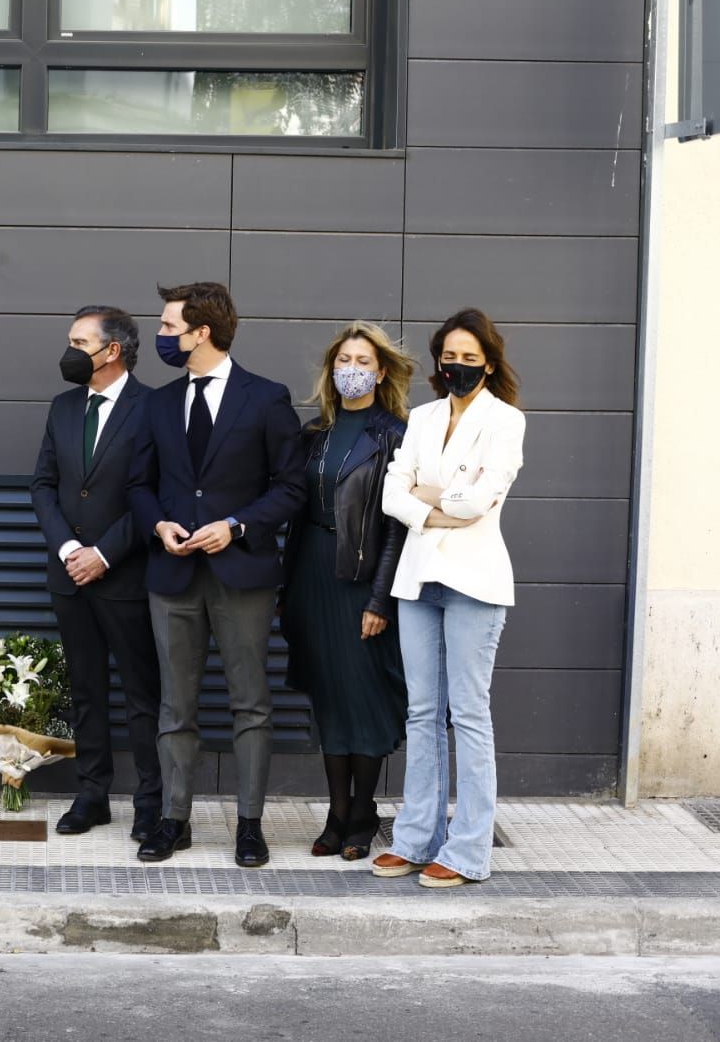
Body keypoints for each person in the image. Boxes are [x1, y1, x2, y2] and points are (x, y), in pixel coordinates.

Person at [126, 282, 305, 867]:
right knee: (175, 707)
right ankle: (174, 820)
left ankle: (250, 825)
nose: (161, 336)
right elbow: (139, 486)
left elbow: (292, 487)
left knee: (250, 703)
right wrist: (159, 528)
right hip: (172, 574)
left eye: (169, 327)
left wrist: (237, 525)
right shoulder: (156, 403)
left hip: (242, 573)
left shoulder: (266, 398)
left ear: (202, 332)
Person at [371, 307, 525, 888]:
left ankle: (466, 851)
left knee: (469, 714)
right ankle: (415, 840)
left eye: (470, 357)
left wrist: (429, 498)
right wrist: (437, 504)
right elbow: (392, 492)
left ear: (488, 362)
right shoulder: (424, 415)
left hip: (474, 583)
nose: (457, 366)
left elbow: (480, 501)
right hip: (418, 579)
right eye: (450, 356)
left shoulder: (506, 421)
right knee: (421, 713)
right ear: (439, 360)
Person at [30, 305, 163, 842]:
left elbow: (156, 494)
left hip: (125, 575)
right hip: (69, 576)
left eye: (79, 341)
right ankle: (92, 795)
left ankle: (151, 802)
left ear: (113, 350)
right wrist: (67, 547)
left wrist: (103, 553)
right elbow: (43, 484)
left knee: (142, 694)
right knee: (85, 690)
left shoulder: (154, 408)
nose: (69, 351)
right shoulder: (63, 407)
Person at [281, 321, 412, 861]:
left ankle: (363, 813)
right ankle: (336, 814)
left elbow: (396, 527)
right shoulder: (314, 432)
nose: (350, 370)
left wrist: (381, 599)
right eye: (343, 361)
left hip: (362, 579)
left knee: (364, 699)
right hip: (312, 571)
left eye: (362, 361)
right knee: (330, 699)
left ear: (381, 372)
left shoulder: (394, 435)